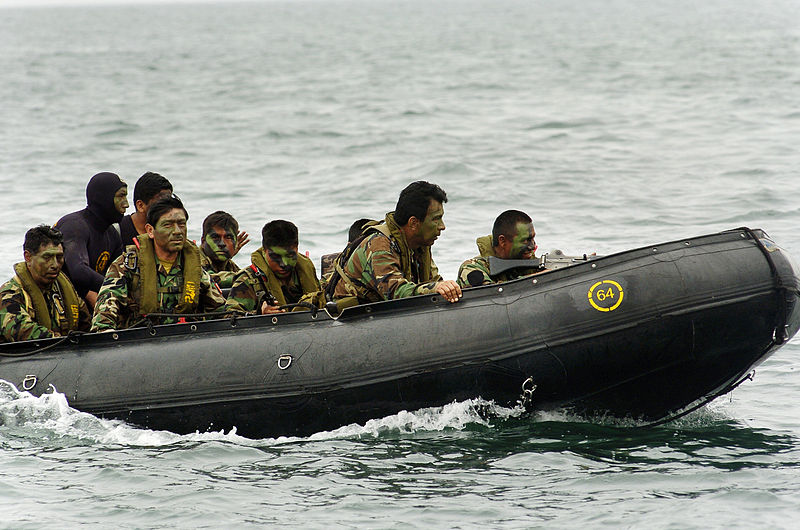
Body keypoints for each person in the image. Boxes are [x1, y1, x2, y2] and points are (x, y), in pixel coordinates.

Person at [91, 195, 225, 331]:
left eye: (181, 224)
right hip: (139, 340)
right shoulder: (127, 265)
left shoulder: (193, 265)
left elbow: (220, 310)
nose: (177, 231)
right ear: (150, 230)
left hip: (185, 340)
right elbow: (104, 315)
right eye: (168, 225)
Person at [331, 181, 461, 305]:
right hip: (351, 316)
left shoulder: (419, 245)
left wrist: (447, 288)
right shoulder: (379, 245)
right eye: (436, 219)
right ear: (413, 223)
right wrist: (435, 288)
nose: (442, 226)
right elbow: (396, 292)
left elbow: (433, 281)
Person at [0, 225, 91, 342]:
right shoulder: (9, 295)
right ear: (28, 257)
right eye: (47, 257)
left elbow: (86, 324)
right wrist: (64, 341)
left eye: (59, 257)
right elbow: (20, 331)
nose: (55, 265)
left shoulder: (64, 290)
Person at [55, 172, 128, 309]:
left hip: (94, 300)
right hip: (62, 301)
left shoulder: (112, 234)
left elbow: (120, 274)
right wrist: (116, 287)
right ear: (104, 198)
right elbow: (79, 272)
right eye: (121, 196)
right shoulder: (75, 226)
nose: (127, 204)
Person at [225, 220, 321, 314]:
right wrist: (259, 313)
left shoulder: (305, 271)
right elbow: (229, 318)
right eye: (275, 257)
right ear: (264, 251)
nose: (284, 264)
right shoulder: (248, 279)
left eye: (290, 255)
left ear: (297, 249)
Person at [457, 210, 541, 287]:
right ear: (502, 241)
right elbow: (491, 295)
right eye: (525, 240)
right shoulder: (472, 269)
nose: (532, 246)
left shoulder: (533, 264)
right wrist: (540, 278)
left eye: (533, 239)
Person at [119, 172, 173, 247]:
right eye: (160, 205)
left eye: (169, 203)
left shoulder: (172, 233)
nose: (167, 209)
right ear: (140, 206)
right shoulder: (116, 232)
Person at [199, 210, 243, 289]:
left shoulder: (230, 266)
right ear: (203, 242)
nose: (222, 243)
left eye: (228, 237)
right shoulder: (193, 261)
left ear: (236, 243)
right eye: (215, 237)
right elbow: (209, 279)